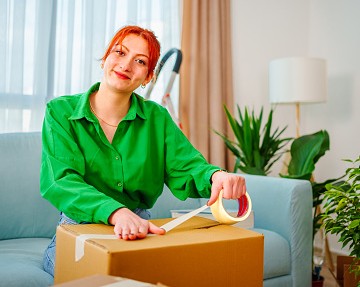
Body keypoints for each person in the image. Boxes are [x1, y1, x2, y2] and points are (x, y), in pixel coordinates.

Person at [40, 25, 246, 276]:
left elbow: (187, 166)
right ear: (106, 58)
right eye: (119, 53)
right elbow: (62, 181)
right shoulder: (59, 112)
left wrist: (217, 177)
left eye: (139, 61)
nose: (125, 65)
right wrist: (116, 213)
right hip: (79, 229)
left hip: (137, 232)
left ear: (148, 77)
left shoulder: (157, 118)